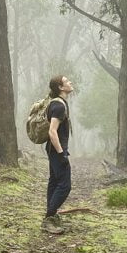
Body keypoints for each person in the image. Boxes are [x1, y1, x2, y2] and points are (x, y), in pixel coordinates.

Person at [42, 75, 74, 234]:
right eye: (67, 81)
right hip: (56, 150)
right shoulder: (59, 106)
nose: (70, 82)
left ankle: (51, 217)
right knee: (65, 185)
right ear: (60, 87)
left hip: (53, 149)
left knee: (54, 182)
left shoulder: (57, 104)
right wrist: (62, 154)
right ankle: (49, 218)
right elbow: (52, 131)